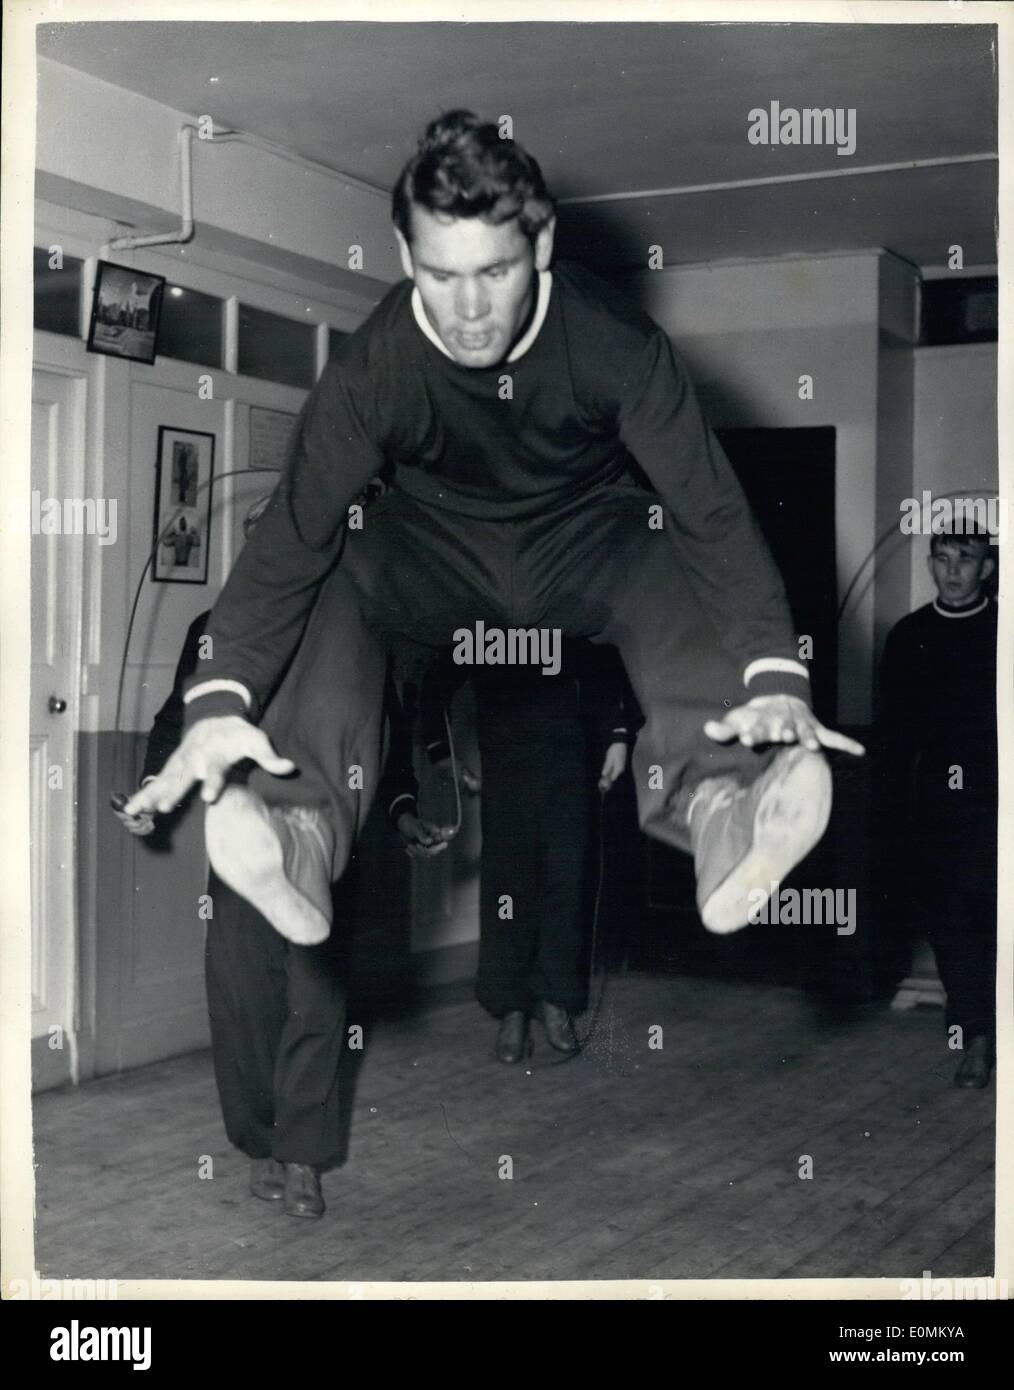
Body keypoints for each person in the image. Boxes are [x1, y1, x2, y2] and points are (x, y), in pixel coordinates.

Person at [126, 110, 863, 983]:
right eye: (441, 276)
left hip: (589, 542)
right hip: (430, 551)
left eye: (495, 271)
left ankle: (722, 804)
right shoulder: (373, 372)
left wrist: (775, 673)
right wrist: (217, 704)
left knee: (666, 543)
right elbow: (289, 535)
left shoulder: (617, 347)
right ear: (405, 260)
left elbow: (712, 508)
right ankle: (299, 829)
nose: (470, 309)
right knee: (339, 563)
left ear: (541, 246)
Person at [116, 494, 339, 1218]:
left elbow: (384, 721)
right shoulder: (210, 630)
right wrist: (154, 788)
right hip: (238, 835)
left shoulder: (347, 624)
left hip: (323, 826)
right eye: (255, 546)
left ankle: (304, 1158)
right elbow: (172, 723)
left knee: (315, 994)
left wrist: (398, 807)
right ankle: (263, 1142)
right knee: (244, 992)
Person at [382, 643, 637, 1062]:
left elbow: (600, 659)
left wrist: (617, 737)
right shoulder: (479, 613)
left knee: (567, 882)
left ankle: (555, 1000)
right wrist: (442, 755)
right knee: (508, 892)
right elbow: (437, 684)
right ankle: (512, 1008)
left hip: (569, 765)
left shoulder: (560, 598)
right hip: (505, 768)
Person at [878, 524, 998, 1088]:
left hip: (1001, 800)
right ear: (930, 564)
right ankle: (976, 1039)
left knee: (1000, 921)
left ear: (987, 568)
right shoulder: (909, 636)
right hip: (937, 810)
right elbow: (896, 737)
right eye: (942, 558)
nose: (953, 570)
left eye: (966, 559)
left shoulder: (1005, 628)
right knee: (951, 922)